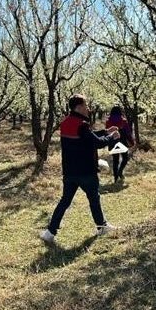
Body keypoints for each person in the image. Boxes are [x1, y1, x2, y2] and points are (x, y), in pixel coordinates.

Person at [39, 94, 120, 245]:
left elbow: (87, 137)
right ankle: (102, 226)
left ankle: (49, 232)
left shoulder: (66, 122)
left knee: (65, 201)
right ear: (79, 107)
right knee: (94, 198)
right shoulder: (82, 124)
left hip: (70, 171)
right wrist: (112, 137)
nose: (88, 108)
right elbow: (96, 143)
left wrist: (105, 131)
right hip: (86, 170)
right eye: (86, 105)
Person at [104, 105, 135, 184]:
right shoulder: (123, 121)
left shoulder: (108, 121)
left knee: (115, 160)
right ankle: (120, 172)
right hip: (122, 141)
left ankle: (115, 177)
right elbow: (128, 132)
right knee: (125, 158)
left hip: (112, 141)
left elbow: (107, 133)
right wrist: (131, 141)